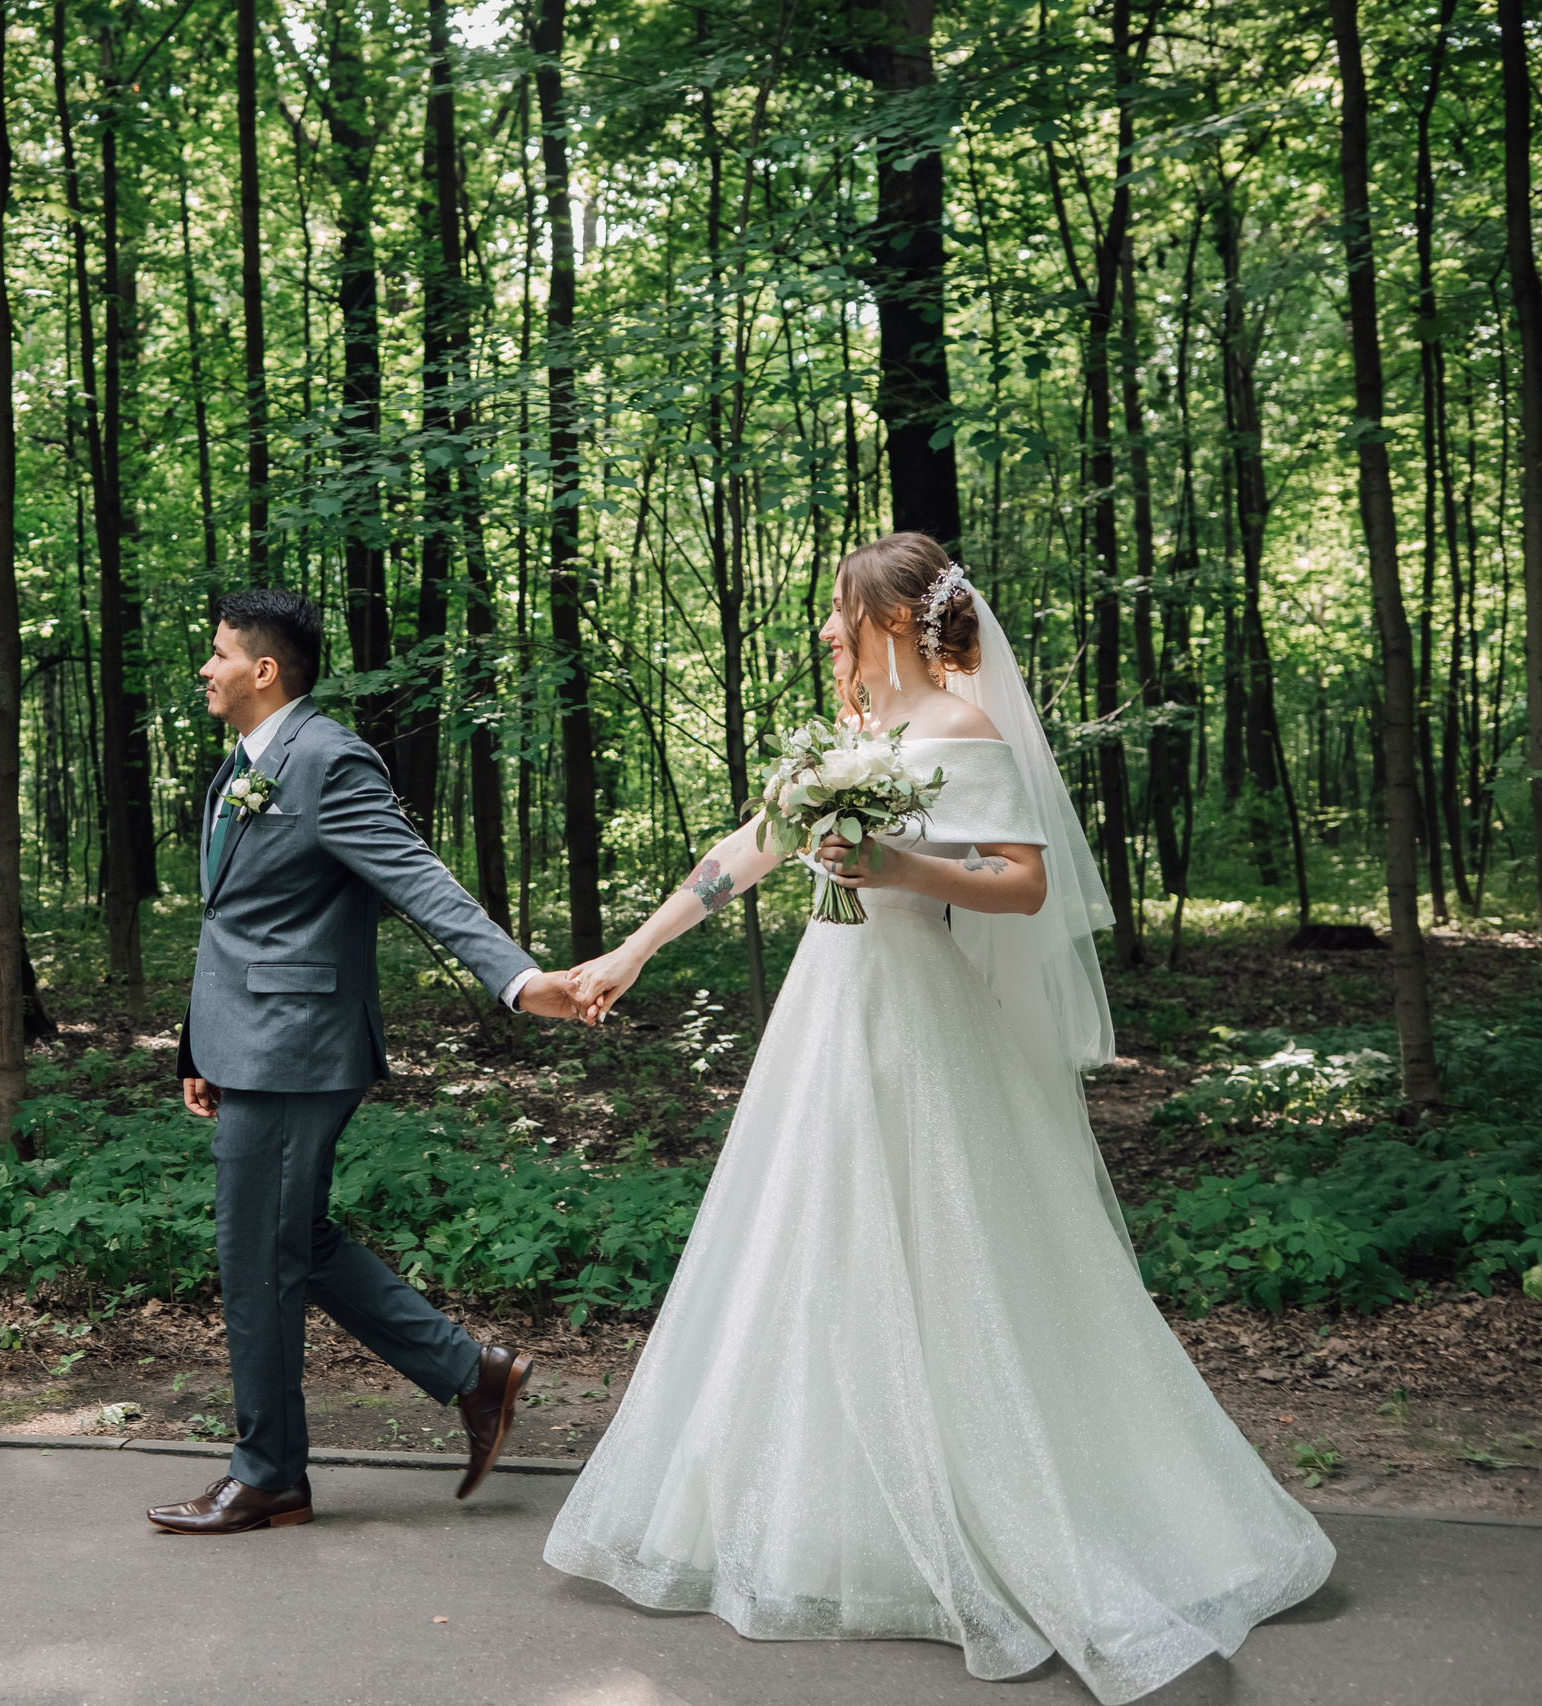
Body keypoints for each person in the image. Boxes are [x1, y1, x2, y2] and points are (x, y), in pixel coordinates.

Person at [541, 534, 1333, 1703]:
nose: (821, 633)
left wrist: (902, 863)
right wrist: (633, 948)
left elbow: (1022, 878)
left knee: (941, 1237)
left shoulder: (964, 733)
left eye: (838, 613)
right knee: (810, 1236)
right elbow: (748, 847)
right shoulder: (842, 741)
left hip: (914, 1008)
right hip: (825, 1005)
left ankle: (1003, 1498)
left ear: (896, 619)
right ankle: (838, 1512)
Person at [150, 589, 588, 1536]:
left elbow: (419, 878)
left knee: (253, 1257)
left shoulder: (328, 758)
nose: (206, 668)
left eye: (218, 653)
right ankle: (472, 1373)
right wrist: (199, 1042)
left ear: (264, 670)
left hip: (297, 1048)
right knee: (292, 1244)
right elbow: (232, 918)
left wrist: (519, 981)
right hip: (250, 1042)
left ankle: (268, 1475)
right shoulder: (248, 761)